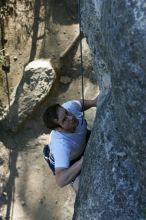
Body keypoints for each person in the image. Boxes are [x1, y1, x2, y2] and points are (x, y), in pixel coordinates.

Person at [43, 96, 98, 192]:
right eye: (64, 120)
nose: (71, 117)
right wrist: (82, 161)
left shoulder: (70, 107)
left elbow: (80, 104)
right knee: (84, 189)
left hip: (82, 141)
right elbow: (60, 180)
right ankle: (47, 153)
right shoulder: (61, 146)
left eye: (66, 112)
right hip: (70, 160)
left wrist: (93, 102)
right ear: (58, 129)